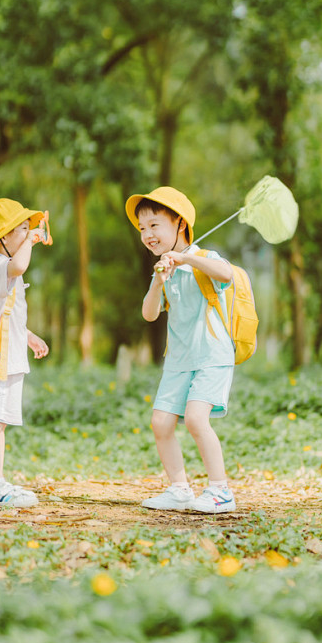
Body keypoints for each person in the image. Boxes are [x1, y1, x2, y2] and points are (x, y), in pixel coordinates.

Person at [125, 187, 237, 514]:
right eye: (143, 228)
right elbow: (148, 314)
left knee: (195, 419)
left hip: (211, 357)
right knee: (161, 423)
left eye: (155, 225)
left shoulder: (204, 260)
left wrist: (187, 258)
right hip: (178, 361)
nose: (147, 234)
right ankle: (179, 489)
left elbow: (227, 274)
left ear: (179, 224)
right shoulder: (164, 270)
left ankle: (220, 491)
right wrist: (159, 281)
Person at [0, 198, 50, 509]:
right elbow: (20, 264)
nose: (29, 232)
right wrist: (33, 240)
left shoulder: (2, 269)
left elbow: (4, 313)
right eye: (22, 228)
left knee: (0, 422)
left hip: (10, 354)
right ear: (2, 237)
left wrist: (29, 337)